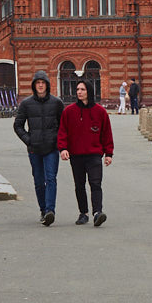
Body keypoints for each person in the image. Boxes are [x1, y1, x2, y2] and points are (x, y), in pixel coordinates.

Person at [58, 80, 114, 226]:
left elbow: (106, 133)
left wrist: (109, 153)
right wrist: (63, 148)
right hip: (76, 155)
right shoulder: (69, 111)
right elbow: (62, 132)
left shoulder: (100, 111)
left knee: (95, 183)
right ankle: (83, 213)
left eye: (82, 89)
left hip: (94, 154)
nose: (79, 92)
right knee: (79, 185)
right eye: (77, 89)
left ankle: (97, 212)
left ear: (89, 91)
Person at [13, 70, 65, 226]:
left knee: (51, 179)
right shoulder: (26, 104)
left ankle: (50, 210)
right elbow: (18, 125)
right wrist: (29, 140)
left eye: (43, 83)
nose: (40, 86)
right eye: (38, 83)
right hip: (34, 149)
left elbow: (63, 125)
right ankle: (43, 210)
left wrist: (58, 142)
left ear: (47, 85)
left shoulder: (56, 103)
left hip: (51, 148)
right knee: (38, 181)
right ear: (34, 86)